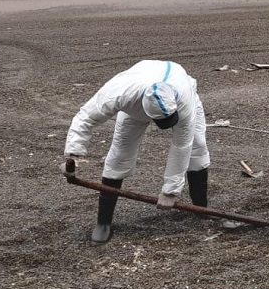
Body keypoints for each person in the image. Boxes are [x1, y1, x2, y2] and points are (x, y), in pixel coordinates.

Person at [64, 60, 211, 243]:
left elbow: (182, 145)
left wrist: (171, 191)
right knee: (120, 154)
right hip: (134, 109)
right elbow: (85, 118)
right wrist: (73, 154)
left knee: (197, 147)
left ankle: (201, 208)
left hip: (181, 98)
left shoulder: (183, 100)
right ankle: (103, 223)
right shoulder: (119, 93)